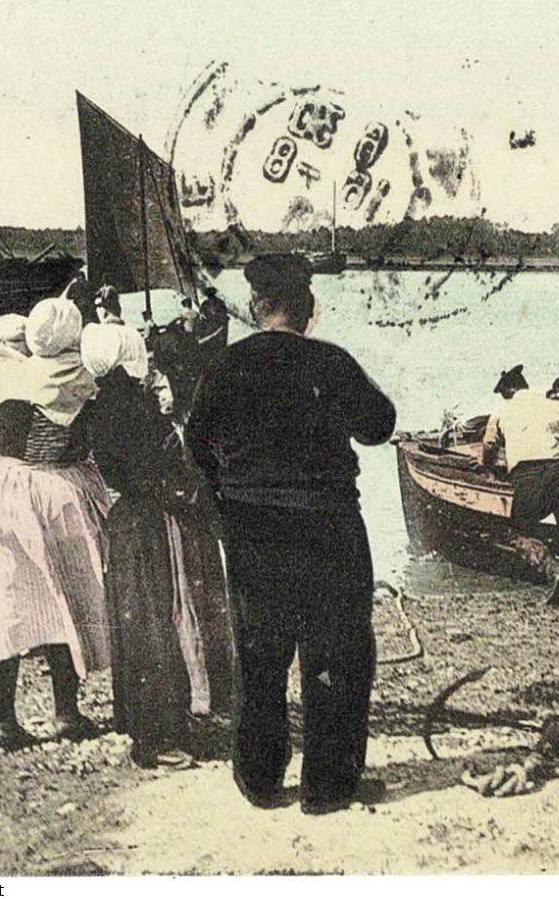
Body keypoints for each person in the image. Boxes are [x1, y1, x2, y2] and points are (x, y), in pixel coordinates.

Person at [186, 253, 396, 815]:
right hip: (329, 527)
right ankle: (327, 788)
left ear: (258, 307)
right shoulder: (332, 363)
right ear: (308, 310)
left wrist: (230, 495)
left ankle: (258, 780)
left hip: (253, 529)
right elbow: (379, 425)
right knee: (337, 654)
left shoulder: (225, 366)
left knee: (261, 656)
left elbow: (195, 448)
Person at [0, 298, 111, 750]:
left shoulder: (3, 374)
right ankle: (66, 712)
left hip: (1, 491)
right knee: (64, 597)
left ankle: (4, 720)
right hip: (62, 490)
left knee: (1, 602)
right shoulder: (89, 378)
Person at [84, 324, 234, 769]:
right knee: (162, 617)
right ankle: (159, 734)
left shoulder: (100, 405)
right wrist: (195, 499)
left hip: (129, 519)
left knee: (138, 623)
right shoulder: (136, 407)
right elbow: (159, 469)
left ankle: (143, 723)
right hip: (154, 521)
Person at [479, 364, 559, 603]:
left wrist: (488, 468)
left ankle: (556, 571)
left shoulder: (502, 411)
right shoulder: (557, 405)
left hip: (528, 476)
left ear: (509, 390)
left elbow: (489, 446)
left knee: (515, 531)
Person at [195, 286, 230, 358]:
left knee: (213, 345)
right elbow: (224, 313)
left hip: (212, 327)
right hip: (217, 326)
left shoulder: (205, 304)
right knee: (220, 344)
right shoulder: (220, 302)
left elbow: (202, 315)